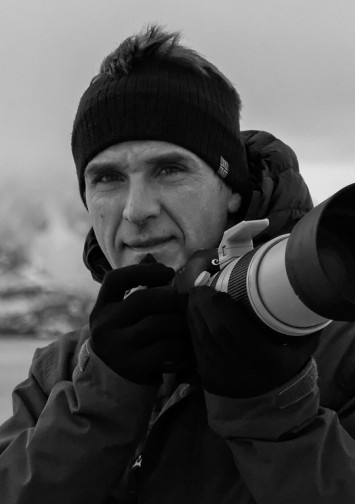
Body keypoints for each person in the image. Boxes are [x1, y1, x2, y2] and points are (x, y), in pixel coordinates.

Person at [1, 24, 355, 504]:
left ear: (232, 190)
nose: (136, 209)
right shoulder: (61, 371)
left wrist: (275, 409)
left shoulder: (340, 352)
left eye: (169, 169)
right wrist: (100, 405)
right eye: (107, 178)